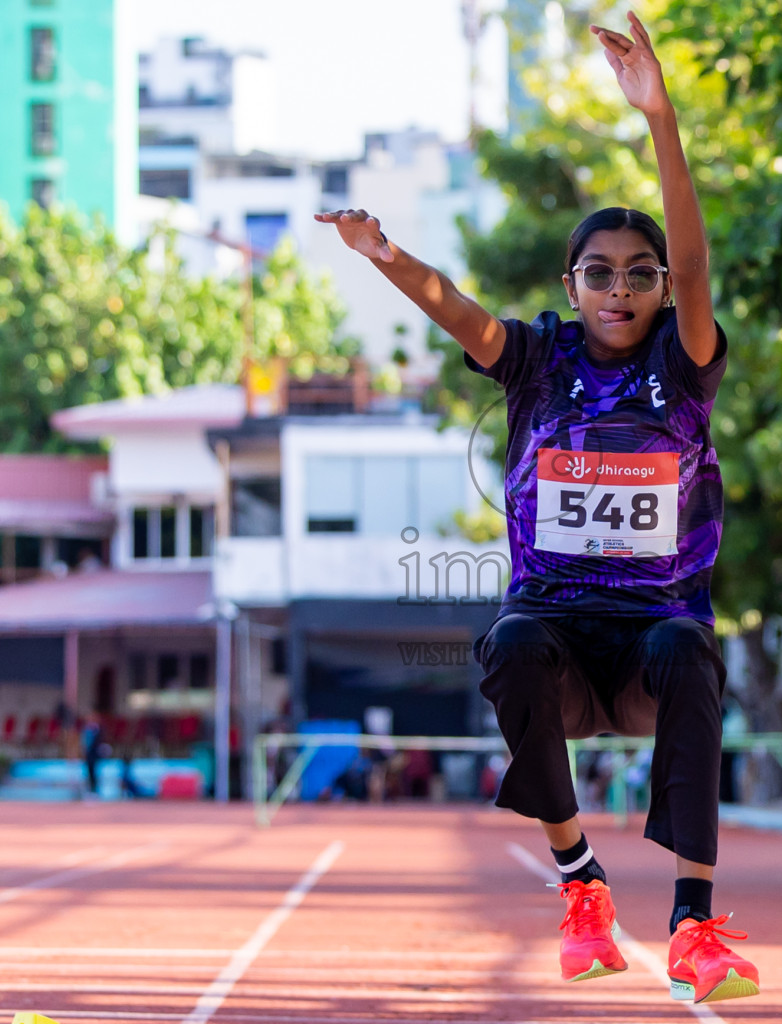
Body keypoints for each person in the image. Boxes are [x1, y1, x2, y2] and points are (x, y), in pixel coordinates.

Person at [314, 13, 756, 1005]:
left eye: (638, 276)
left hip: (653, 633)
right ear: (571, 284)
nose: (621, 288)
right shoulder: (536, 358)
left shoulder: (680, 370)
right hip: (554, 628)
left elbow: (693, 265)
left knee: (694, 653)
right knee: (505, 644)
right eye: (598, 272)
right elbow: (457, 307)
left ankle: (693, 920)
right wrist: (384, 255)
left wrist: (662, 120)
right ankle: (581, 882)